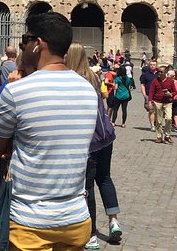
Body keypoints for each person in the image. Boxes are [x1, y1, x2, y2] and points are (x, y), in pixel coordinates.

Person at [0, 12, 98, 250]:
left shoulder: (18, 91)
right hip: (76, 217)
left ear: (39, 44)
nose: (22, 46)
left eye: (25, 40)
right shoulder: (88, 90)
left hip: (31, 220)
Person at [65, 43, 122, 250]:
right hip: (106, 135)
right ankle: (114, 221)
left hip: (90, 140)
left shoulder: (72, 81)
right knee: (105, 179)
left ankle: (91, 234)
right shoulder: (94, 77)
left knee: (87, 187)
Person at [148, 65, 176, 144]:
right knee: (159, 121)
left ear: (166, 73)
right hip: (158, 102)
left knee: (169, 118)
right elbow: (151, 92)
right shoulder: (155, 81)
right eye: (158, 71)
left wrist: (170, 94)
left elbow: (175, 91)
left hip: (168, 102)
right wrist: (150, 102)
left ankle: (167, 135)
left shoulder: (170, 81)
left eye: (161, 72)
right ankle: (159, 136)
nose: (159, 73)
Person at [140, 59, 158, 131]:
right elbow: (142, 85)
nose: (152, 66)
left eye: (154, 65)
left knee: (158, 111)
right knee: (151, 110)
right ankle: (152, 125)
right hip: (149, 95)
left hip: (158, 95)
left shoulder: (159, 74)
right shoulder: (145, 75)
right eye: (151, 65)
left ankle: (156, 122)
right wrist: (144, 95)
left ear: (156, 66)